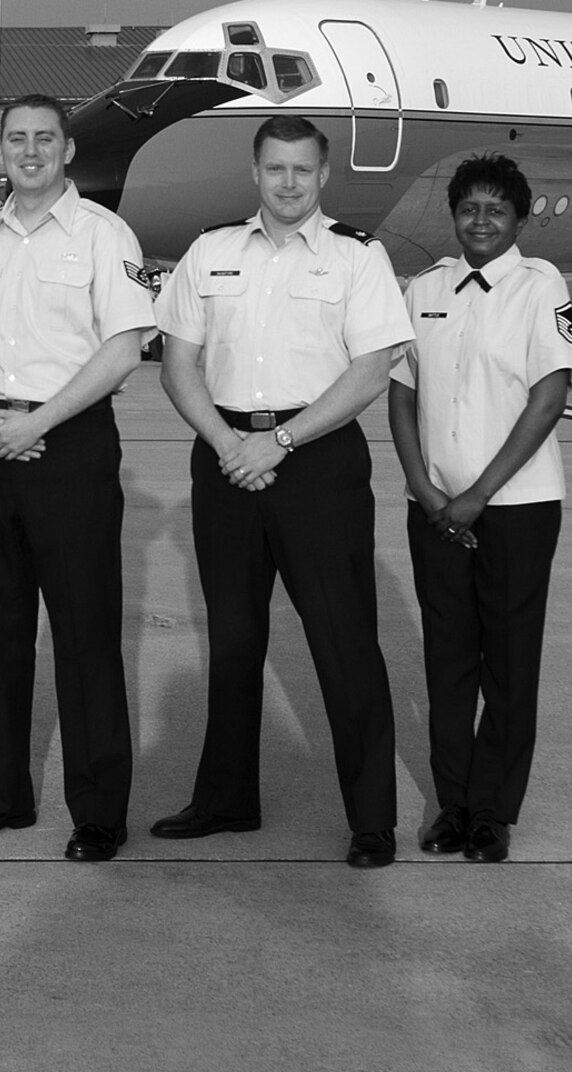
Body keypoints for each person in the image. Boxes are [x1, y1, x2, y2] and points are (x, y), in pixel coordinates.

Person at [150, 113, 414, 868]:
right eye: (275, 169)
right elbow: (179, 365)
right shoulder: (211, 250)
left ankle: (371, 819)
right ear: (255, 173)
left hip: (317, 463)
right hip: (225, 456)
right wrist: (231, 443)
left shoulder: (357, 258)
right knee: (232, 641)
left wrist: (281, 441)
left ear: (323, 175)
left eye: (303, 170)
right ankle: (226, 799)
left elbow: (369, 371)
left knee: (344, 641)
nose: (289, 183)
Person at [0, 95, 156, 862]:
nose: (29, 151)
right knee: (0, 631)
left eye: (43, 140)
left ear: (67, 151)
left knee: (86, 633)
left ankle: (98, 810)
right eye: (16, 139)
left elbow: (124, 348)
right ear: (1, 150)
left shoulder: (102, 235)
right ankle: (0, 795)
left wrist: (39, 422)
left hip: (70, 448)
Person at [389, 153, 572, 864]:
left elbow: (549, 396)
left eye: (496, 210)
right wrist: (427, 488)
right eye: (469, 207)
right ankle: (453, 804)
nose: (480, 220)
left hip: (519, 507)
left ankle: (494, 811)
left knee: (507, 659)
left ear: (520, 219)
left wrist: (476, 495)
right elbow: (402, 393)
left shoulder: (539, 286)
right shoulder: (427, 287)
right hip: (433, 507)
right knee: (446, 661)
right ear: (455, 214)